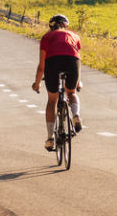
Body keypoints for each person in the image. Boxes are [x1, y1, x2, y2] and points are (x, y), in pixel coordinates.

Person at [31, 14, 82, 151]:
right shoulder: (74, 35)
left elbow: (42, 66)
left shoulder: (46, 37)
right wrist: (78, 82)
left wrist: (37, 83)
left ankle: (50, 138)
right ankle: (76, 115)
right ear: (66, 25)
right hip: (72, 63)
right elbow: (77, 60)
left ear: (51, 26)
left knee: (52, 100)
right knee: (71, 92)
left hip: (53, 62)